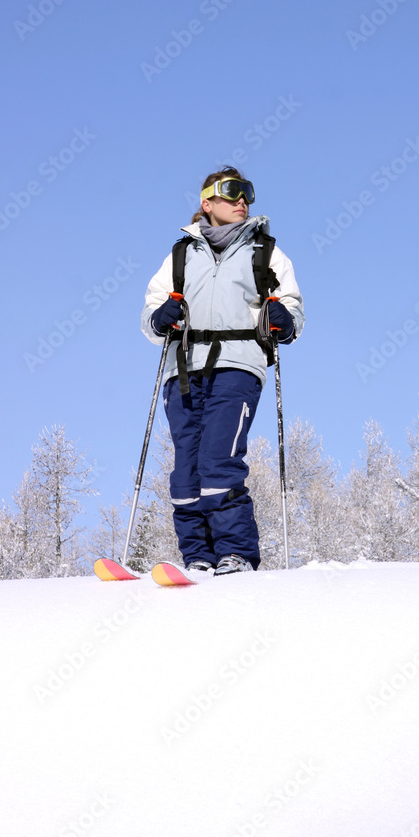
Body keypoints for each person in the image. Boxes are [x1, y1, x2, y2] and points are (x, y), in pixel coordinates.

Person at [141, 167, 304, 575]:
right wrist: (161, 317)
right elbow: (148, 317)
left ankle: (236, 553)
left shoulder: (265, 252)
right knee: (186, 467)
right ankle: (197, 556)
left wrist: (284, 316)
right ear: (207, 202)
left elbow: (294, 312)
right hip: (183, 368)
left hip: (239, 364)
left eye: (247, 194)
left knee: (220, 455)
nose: (243, 201)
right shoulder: (180, 254)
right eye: (233, 194)